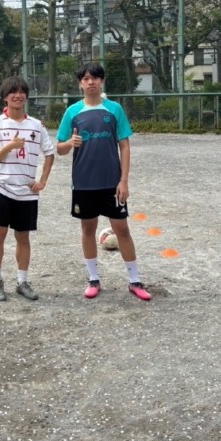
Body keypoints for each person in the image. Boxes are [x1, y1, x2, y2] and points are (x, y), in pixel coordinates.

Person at [56, 62, 151, 302]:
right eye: (86, 78)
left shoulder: (114, 109)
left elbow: (125, 144)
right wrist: (69, 144)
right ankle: (93, 278)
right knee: (88, 229)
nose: (91, 82)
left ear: (102, 81)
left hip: (112, 183)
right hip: (84, 183)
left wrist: (124, 180)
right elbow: (59, 148)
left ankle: (134, 280)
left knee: (122, 229)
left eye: (95, 78)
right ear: (80, 83)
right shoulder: (72, 112)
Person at [0, 76, 55, 303]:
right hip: (2, 188)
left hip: (27, 192)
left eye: (22, 91)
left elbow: (50, 153)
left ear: (26, 96)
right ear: (5, 97)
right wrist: (10, 147)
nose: (18, 95)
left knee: (23, 238)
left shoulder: (36, 125)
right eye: (13, 92)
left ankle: (22, 282)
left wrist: (42, 181)